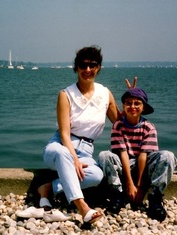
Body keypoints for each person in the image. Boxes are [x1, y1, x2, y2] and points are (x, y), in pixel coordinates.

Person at [16, 46, 137, 223]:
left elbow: (120, 122)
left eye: (92, 65)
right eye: (83, 65)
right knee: (62, 152)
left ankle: (47, 188)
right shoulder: (66, 95)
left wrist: (132, 99)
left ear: (99, 67)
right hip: (61, 146)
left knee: (96, 175)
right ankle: (83, 208)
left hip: (86, 150)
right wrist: (74, 159)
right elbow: (64, 134)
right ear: (76, 67)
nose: (87, 69)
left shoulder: (105, 94)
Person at [98, 87, 177, 222]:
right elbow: (122, 153)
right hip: (125, 165)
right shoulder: (118, 125)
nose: (132, 106)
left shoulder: (148, 127)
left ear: (143, 107)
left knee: (167, 156)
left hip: (144, 165)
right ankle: (117, 194)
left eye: (137, 103)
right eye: (128, 103)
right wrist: (129, 183)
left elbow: (143, 155)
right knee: (104, 155)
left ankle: (155, 197)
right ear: (123, 106)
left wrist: (139, 187)